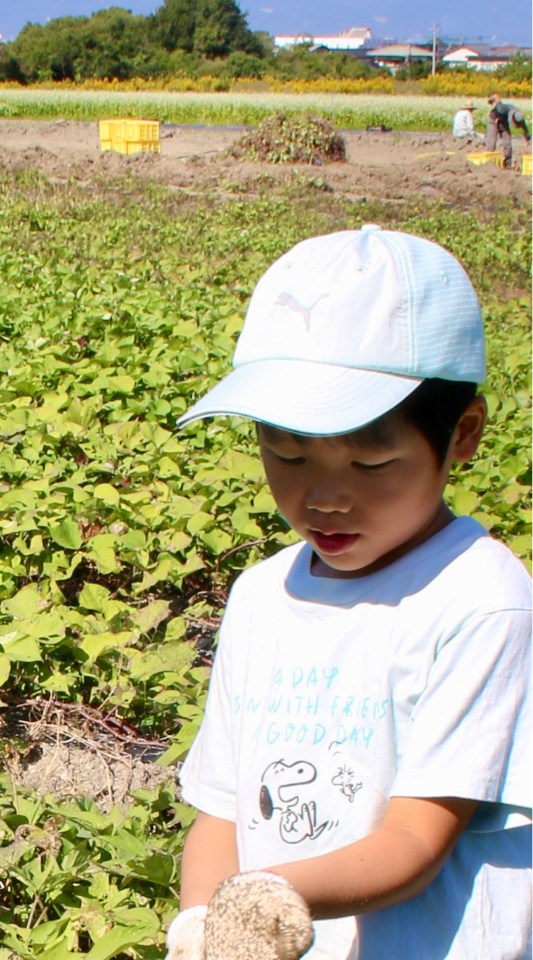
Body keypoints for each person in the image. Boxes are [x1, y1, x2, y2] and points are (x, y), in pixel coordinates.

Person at [165, 226, 531, 960]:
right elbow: (221, 814)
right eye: (288, 455)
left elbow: (417, 838)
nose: (324, 498)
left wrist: (265, 899)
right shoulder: (262, 595)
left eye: (370, 465)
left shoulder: (480, 599)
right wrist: (202, 923)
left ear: (462, 433)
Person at [485, 92, 531, 168]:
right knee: (491, 143)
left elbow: (526, 132)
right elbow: (496, 96)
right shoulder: (502, 109)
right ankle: (489, 164)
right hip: (494, 119)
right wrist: (490, 100)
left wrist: (528, 140)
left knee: (507, 144)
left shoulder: (519, 117)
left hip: (503, 121)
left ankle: (507, 165)